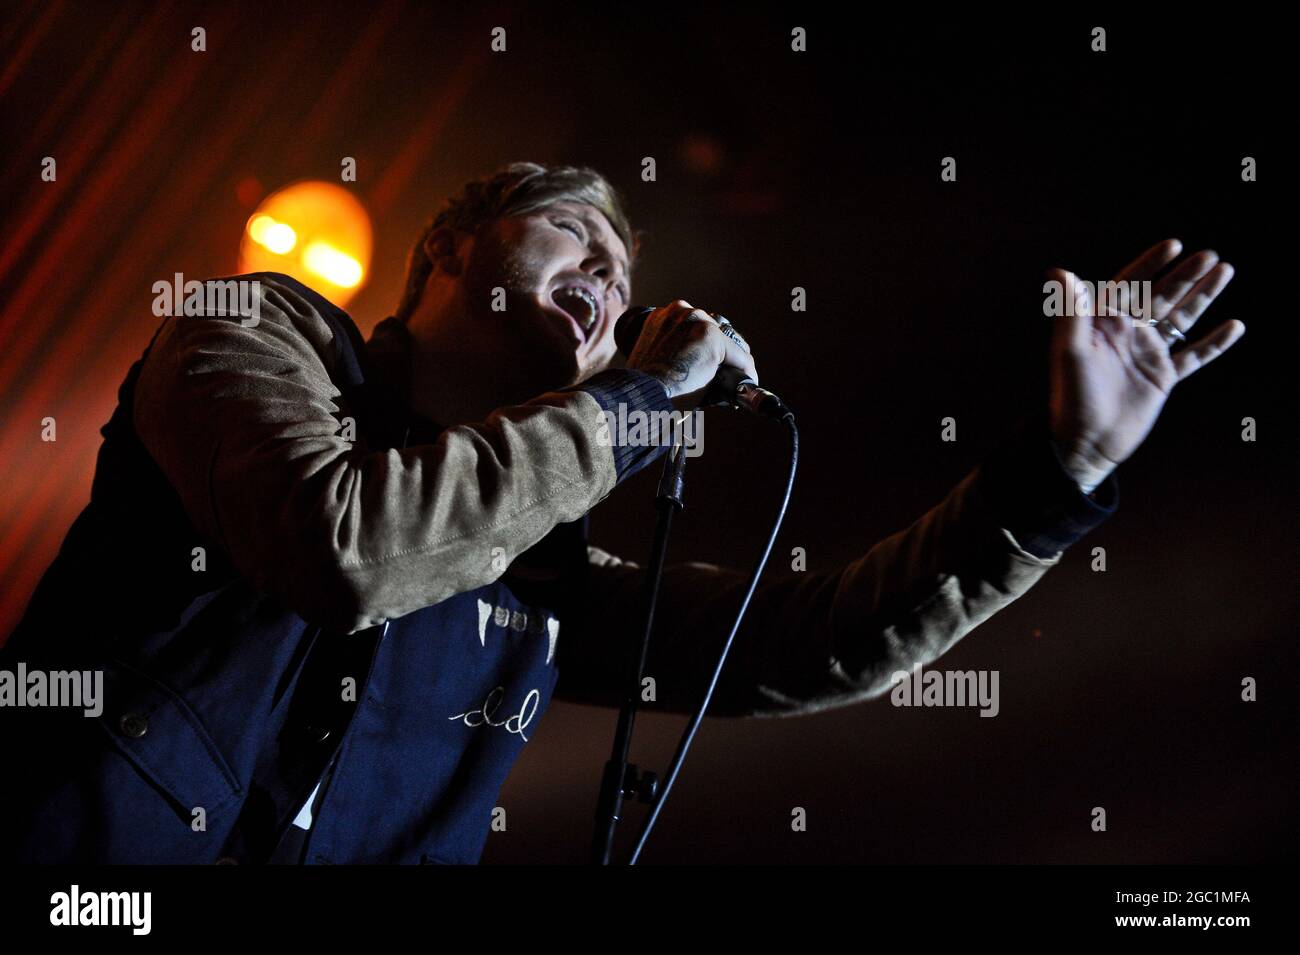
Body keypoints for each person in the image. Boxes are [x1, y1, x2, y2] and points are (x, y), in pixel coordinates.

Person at [0, 162, 1242, 864]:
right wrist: (643, 403)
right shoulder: (255, 330)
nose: (606, 275)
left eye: (624, 271)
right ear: (450, 249)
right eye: (573, 234)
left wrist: (1059, 472)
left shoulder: (537, 577)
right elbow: (347, 545)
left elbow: (804, 642)